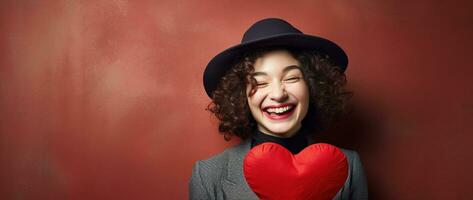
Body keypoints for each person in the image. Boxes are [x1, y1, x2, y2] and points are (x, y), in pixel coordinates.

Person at [189, 18, 368, 200]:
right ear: (241, 93)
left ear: (312, 84)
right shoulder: (208, 176)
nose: (277, 94)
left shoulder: (349, 167)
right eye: (259, 82)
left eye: (291, 78)